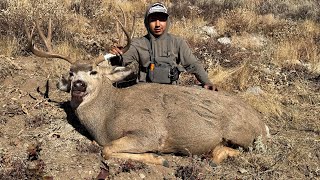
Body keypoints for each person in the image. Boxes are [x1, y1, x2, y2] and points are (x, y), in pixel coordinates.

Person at [107, 2, 217, 91]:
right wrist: (116, 54)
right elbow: (120, 61)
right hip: (143, 92)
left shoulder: (177, 42)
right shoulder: (138, 43)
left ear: (167, 21)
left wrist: (207, 82)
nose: (158, 24)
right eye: (153, 20)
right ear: (147, 22)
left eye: (162, 19)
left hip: (171, 91)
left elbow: (193, 64)